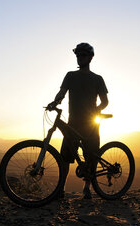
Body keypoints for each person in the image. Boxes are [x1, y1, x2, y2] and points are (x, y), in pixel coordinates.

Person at [47, 42, 109, 199]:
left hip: (91, 123)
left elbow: (105, 101)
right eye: (78, 55)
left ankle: (87, 188)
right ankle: (61, 188)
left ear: (90, 58)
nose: (79, 58)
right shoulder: (70, 76)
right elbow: (61, 92)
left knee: (91, 157)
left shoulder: (97, 79)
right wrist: (55, 102)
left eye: (83, 55)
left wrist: (96, 110)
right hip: (73, 122)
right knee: (65, 157)